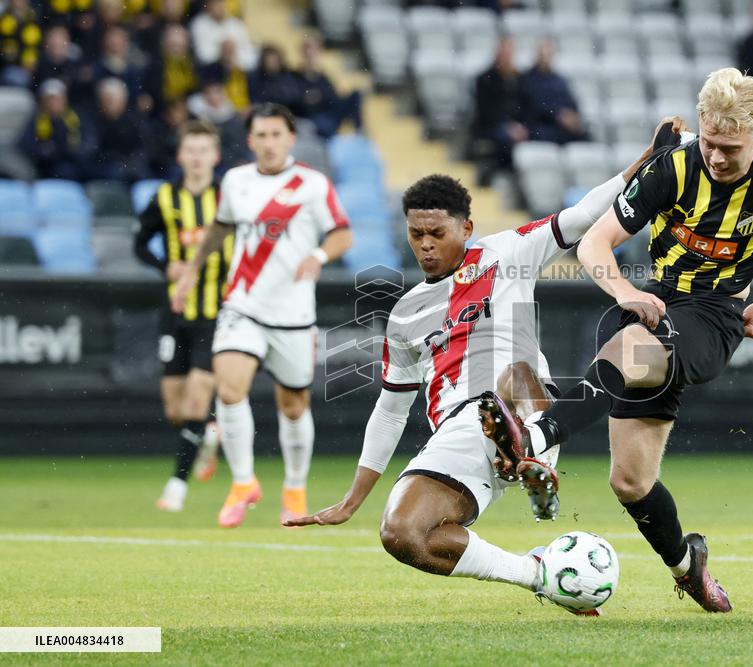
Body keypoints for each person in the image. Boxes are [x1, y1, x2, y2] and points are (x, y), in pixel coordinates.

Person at [284, 118, 692, 612]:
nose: (425, 244)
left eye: (437, 233)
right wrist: (352, 500)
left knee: (513, 376)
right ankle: (538, 573)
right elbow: (390, 412)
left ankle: (532, 454)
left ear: (467, 228)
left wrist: (645, 161)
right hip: (460, 434)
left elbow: (585, 214)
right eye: (416, 234)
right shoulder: (405, 314)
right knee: (402, 533)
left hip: (527, 408)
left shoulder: (508, 252)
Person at [479, 68, 753, 614]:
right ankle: (688, 567)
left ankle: (537, 437)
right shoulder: (671, 169)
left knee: (632, 345)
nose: (716, 156)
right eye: (709, 141)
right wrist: (625, 291)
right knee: (630, 481)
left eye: (730, 149)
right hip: (656, 300)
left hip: (714, 316)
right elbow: (593, 245)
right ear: (700, 123)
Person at [171, 103, 353, 528]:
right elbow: (221, 227)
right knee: (229, 388)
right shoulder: (236, 181)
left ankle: (294, 488)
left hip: (293, 313)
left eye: (276, 135)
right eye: (261, 135)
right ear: (250, 140)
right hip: (243, 305)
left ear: (290, 139)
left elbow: (343, 233)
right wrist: (191, 272)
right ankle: (242, 483)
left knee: (293, 406)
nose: (269, 143)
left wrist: (318, 256)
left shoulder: (312, 184)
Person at [134, 120, 232, 511]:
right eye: (190, 150)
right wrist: (165, 267)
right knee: (175, 410)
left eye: (203, 150)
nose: (196, 157)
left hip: (217, 313)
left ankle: (176, 486)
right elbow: (139, 243)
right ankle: (210, 429)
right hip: (175, 313)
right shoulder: (165, 198)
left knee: (195, 401)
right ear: (180, 156)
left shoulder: (228, 197)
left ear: (215, 156)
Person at [471, 37, 527, 170]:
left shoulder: (520, 79)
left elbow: (526, 105)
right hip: (492, 126)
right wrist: (509, 126)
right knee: (505, 138)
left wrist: (521, 125)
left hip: (516, 125)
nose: (506, 58)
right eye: (504, 54)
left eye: (509, 54)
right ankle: (505, 170)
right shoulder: (485, 79)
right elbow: (485, 110)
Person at [518, 39, 587, 145]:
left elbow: (571, 102)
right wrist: (557, 115)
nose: (544, 59)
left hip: (561, 127)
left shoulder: (559, 80)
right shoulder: (527, 79)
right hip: (540, 126)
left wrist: (572, 116)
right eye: (542, 55)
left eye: (547, 55)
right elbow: (533, 105)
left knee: (584, 135)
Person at [18, 79, 87, 181]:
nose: (53, 103)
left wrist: (72, 152)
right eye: (49, 99)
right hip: (45, 167)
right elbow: (26, 144)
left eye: (56, 99)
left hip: (74, 163)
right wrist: (44, 152)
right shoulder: (37, 120)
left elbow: (87, 142)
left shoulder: (75, 117)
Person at [86, 77, 152, 182]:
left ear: (123, 100)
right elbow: (91, 151)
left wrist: (129, 164)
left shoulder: (135, 120)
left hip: (132, 168)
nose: (107, 104)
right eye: (104, 99)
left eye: (111, 99)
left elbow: (145, 148)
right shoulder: (92, 120)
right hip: (104, 169)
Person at [294, 35, 362, 137]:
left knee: (356, 95)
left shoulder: (323, 77)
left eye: (314, 51)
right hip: (315, 117)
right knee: (325, 125)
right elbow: (297, 100)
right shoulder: (295, 76)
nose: (311, 56)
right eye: (308, 52)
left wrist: (320, 96)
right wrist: (308, 98)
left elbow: (334, 98)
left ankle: (360, 133)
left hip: (331, 113)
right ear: (303, 53)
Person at [190, 0, 257, 71]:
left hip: (239, 72)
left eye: (222, 2)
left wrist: (234, 56)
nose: (220, 6)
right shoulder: (199, 24)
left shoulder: (236, 24)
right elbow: (203, 57)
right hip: (211, 73)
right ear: (208, 4)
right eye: (216, 2)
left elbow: (251, 60)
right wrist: (223, 51)